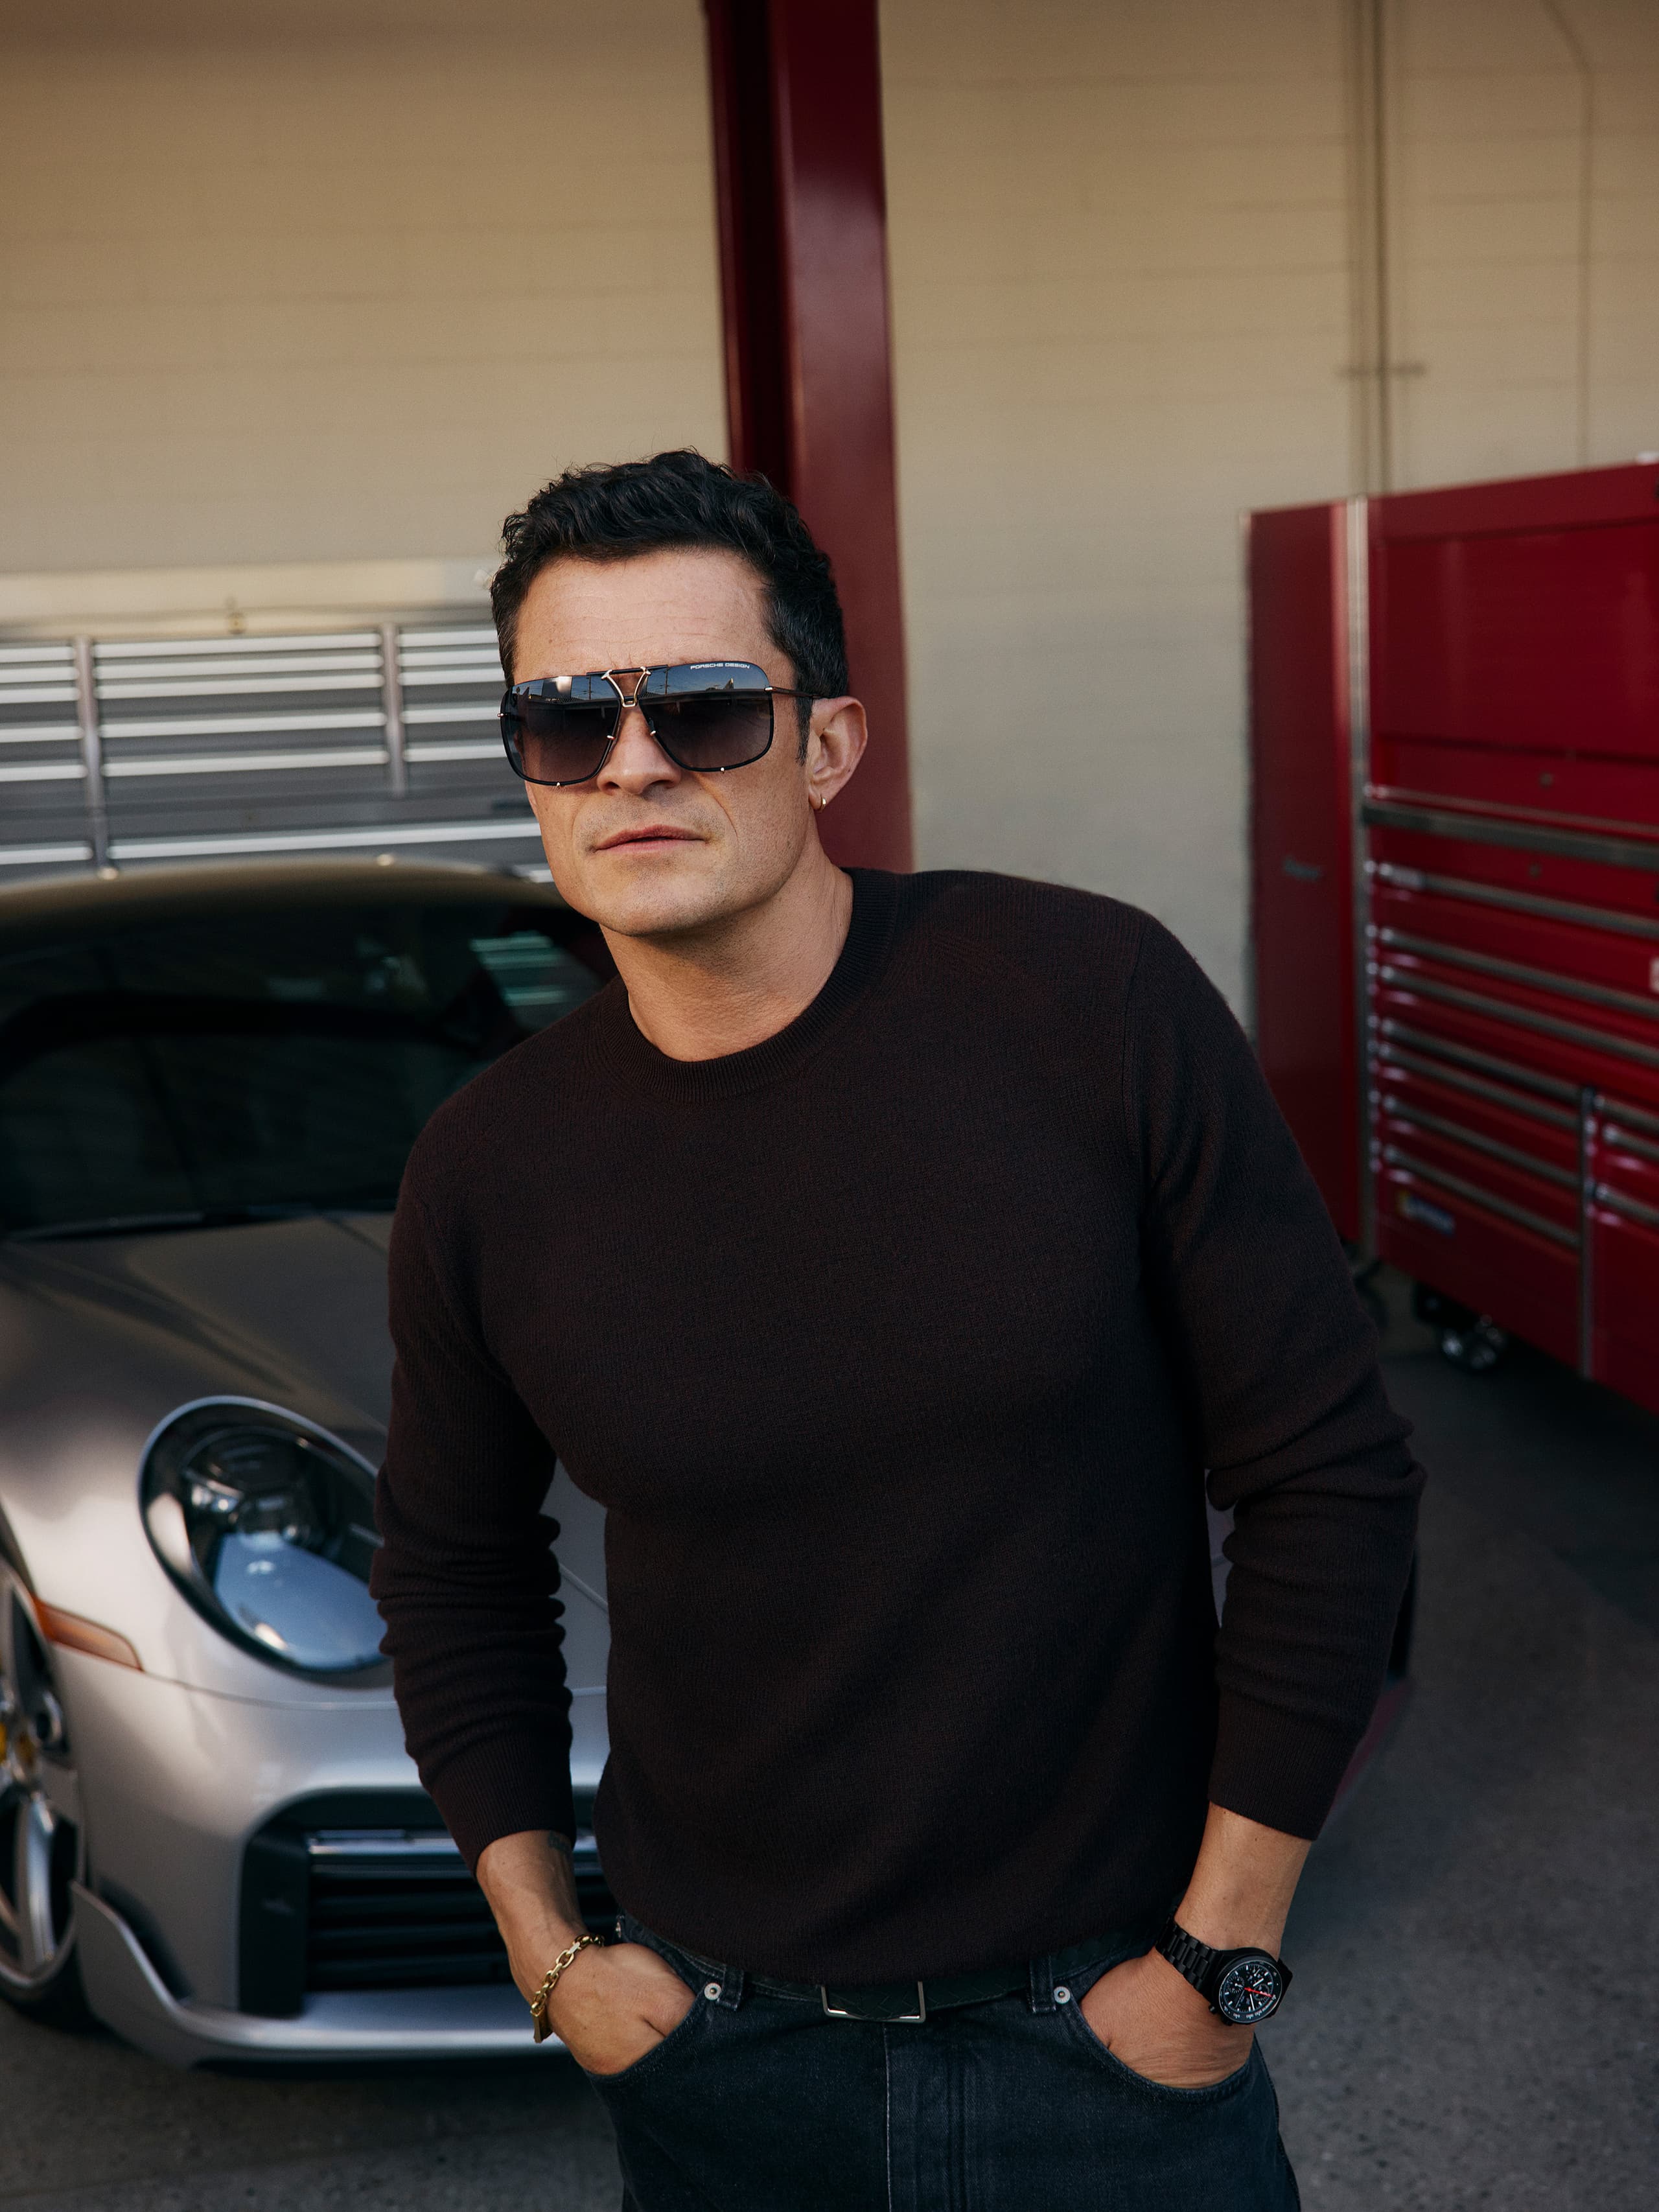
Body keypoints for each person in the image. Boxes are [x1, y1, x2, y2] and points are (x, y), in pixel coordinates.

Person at [373, 448, 1422, 2210]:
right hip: (720, 2068)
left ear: (830, 746)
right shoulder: (489, 1167)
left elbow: (1332, 1479)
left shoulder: (1090, 1005)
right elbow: (452, 1571)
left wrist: (1220, 1961)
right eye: (565, 721)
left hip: (1110, 2043)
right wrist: (552, 1953)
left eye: (704, 708)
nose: (631, 764)